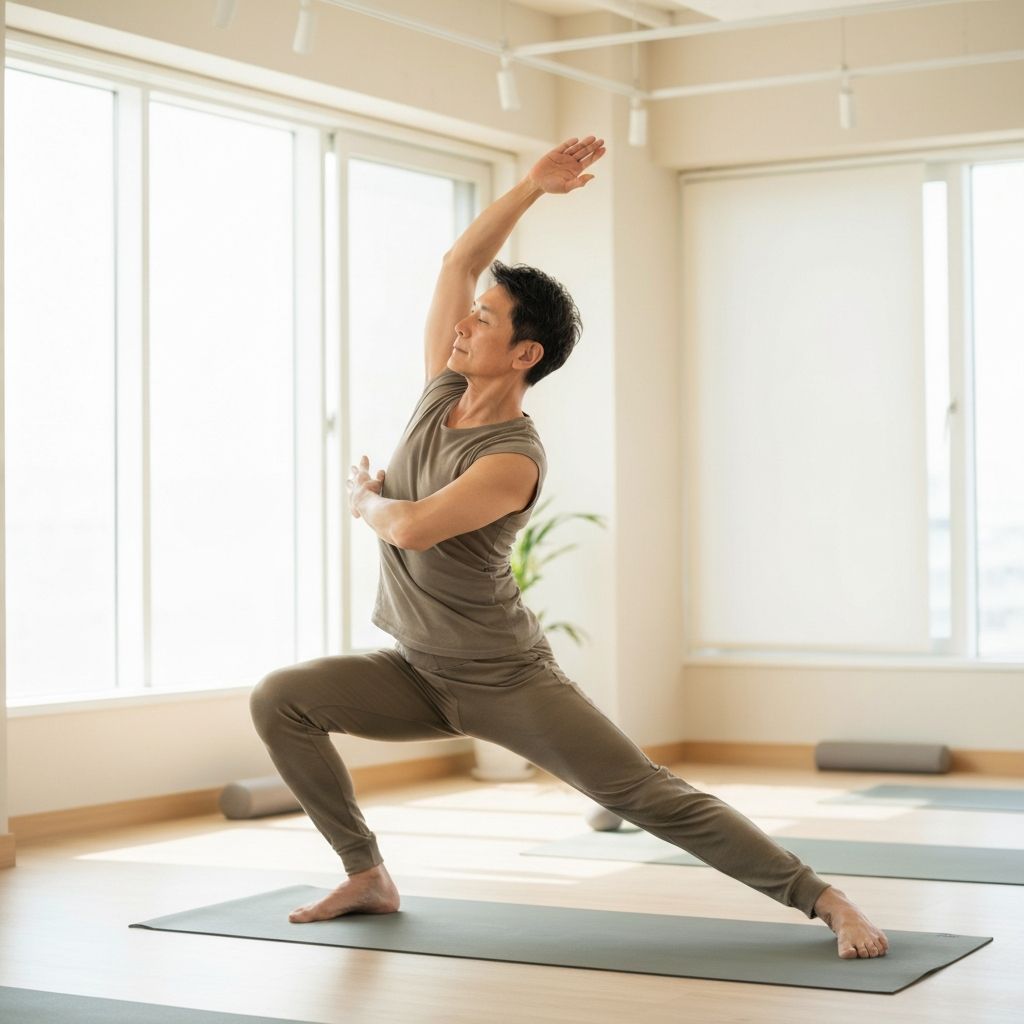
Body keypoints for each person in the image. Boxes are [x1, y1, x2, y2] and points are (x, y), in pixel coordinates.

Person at [249, 135, 889, 960]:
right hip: (414, 671)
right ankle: (366, 873)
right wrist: (530, 188)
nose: (464, 322)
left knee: (650, 794)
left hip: (503, 679)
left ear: (524, 354)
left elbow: (407, 526)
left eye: (484, 319)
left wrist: (365, 500)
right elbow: (459, 259)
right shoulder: (439, 390)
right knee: (281, 699)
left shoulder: (511, 457)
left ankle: (825, 900)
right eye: (470, 312)